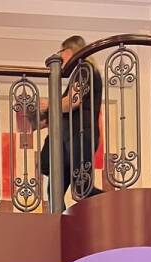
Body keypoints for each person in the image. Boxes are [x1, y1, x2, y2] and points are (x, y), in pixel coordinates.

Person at [40, 35, 103, 207]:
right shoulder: (82, 71)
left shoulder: (85, 68)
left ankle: (117, 202)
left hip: (79, 135)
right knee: (55, 190)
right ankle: (60, 222)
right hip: (70, 137)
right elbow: (65, 107)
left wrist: (50, 103)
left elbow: (73, 101)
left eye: (61, 52)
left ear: (70, 50)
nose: (60, 57)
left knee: (82, 189)